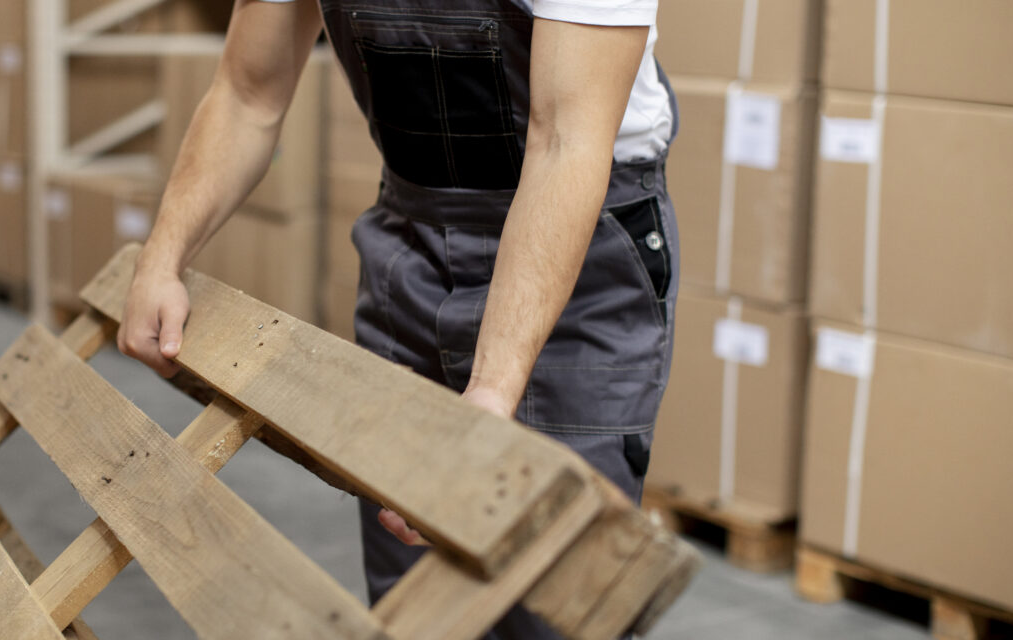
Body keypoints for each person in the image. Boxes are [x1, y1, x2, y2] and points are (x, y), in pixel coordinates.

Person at [118, 0, 679, 636]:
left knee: (553, 595)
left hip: (576, 254)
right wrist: (160, 258)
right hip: (410, 240)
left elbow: (565, 145)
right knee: (413, 598)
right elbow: (248, 93)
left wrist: (492, 390)